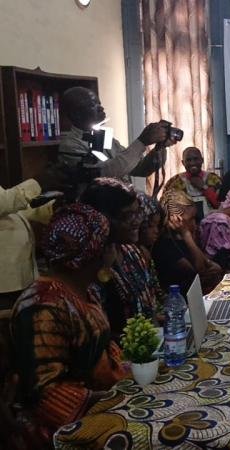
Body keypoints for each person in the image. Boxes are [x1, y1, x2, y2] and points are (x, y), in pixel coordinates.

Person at [11, 204, 127, 438]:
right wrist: (116, 400)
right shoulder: (43, 306)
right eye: (109, 246)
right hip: (64, 428)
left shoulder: (84, 291)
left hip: (103, 404)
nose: (114, 252)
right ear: (96, 253)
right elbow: (46, 393)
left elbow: (103, 352)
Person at [80, 178, 161, 339]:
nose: (137, 221)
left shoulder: (132, 252)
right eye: (127, 216)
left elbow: (149, 308)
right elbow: (99, 328)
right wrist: (105, 270)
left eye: (138, 212)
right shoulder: (89, 265)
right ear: (103, 218)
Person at [57, 86, 169, 183]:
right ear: (76, 114)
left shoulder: (103, 137)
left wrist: (160, 147)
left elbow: (140, 169)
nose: (101, 108)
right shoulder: (70, 145)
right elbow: (104, 174)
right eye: (92, 105)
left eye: (99, 103)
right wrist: (142, 142)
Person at [0, 173, 61, 309]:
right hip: (4, 286)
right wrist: (37, 182)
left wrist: (52, 208)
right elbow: (4, 202)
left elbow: (15, 211)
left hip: (18, 278)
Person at [154, 189, 223, 294]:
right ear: (175, 220)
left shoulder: (180, 239)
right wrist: (186, 234)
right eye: (191, 219)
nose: (194, 223)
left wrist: (213, 266)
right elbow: (200, 271)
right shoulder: (164, 246)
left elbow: (206, 264)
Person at [162, 147, 222, 222]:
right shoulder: (174, 182)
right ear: (183, 163)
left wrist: (204, 187)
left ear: (202, 160)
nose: (192, 163)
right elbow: (167, 210)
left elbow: (222, 206)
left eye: (196, 159)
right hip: (184, 226)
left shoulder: (214, 179)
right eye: (188, 160)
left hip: (212, 225)